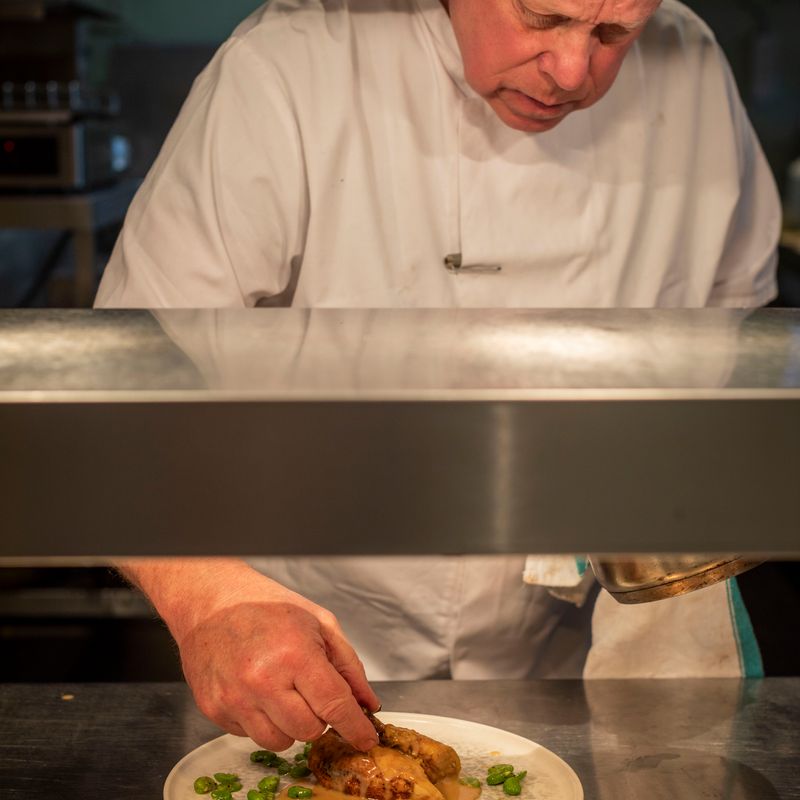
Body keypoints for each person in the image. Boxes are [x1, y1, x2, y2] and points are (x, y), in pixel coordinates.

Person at [94, 0, 781, 754]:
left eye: (616, 33)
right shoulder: (289, 66)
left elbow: (732, 334)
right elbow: (116, 384)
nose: (573, 70)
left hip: (572, 675)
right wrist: (208, 601)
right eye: (541, 18)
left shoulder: (693, 65)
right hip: (297, 663)